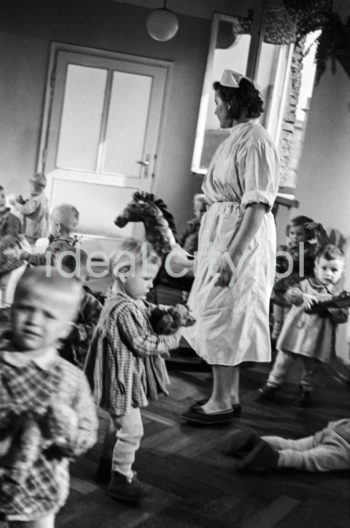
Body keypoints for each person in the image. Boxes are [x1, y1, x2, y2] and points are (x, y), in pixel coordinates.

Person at [182, 69, 280, 425]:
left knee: (225, 312)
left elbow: (257, 204)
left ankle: (220, 400)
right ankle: (230, 394)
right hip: (224, 232)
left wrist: (231, 255)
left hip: (241, 239)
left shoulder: (256, 140)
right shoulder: (238, 137)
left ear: (233, 103)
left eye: (219, 103)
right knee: (223, 311)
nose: (216, 110)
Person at [84, 238, 181, 503]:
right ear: (124, 273)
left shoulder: (125, 298)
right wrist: (175, 337)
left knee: (118, 427)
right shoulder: (123, 308)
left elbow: (147, 308)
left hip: (123, 378)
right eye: (148, 278)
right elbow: (143, 344)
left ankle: (108, 467)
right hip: (120, 382)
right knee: (132, 431)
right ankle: (120, 479)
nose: (151, 285)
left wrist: (168, 311)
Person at [0, 267, 97, 527]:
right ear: (10, 312)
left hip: (41, 487)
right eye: (26, 309)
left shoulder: (72, 378)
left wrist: (69, 436)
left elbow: (88, 427)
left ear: (66, 330)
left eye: (49, 316)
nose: (34, 321)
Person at [259, 244, 348, 406]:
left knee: (311, 368)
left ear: (341, 273)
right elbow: (289, 295)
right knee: (282, 361)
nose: (328, 273)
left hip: (317, 339)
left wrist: (334, 310)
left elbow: (342, 317)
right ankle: (272, 383)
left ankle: (306, 388)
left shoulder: (337, 296)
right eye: (324, 268)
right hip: (295, 334)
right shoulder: (305, 285)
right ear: (316, 268)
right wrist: (302, 296)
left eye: (334, 270)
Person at [271, 215, 328, 345]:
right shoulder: (285, 248)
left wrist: (319, 230)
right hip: (280, 286)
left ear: (308, 235)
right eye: (292, 233)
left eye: (299, 234)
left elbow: (323, 246)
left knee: (288, 317)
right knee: (277, 316)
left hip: (296, 287)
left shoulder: (311, 250)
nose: (295, 237)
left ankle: (282, 343)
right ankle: (273, 340)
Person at [221, 421, 350, 472]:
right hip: (344, 448)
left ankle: (255, 442)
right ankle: (273, 457)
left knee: (293, 444)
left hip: (338, 429)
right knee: (307, 458)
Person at [57, 248, 102, 368]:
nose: (68, 283)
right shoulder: (53, 297)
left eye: (75, 279)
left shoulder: (90, 302)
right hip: (54, 354)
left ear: (87, 278)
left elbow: (99, 326)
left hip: (78, 359)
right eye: (62, 278)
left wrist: (77, 331)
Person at [13, 173, 49, 246]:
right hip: (39, 232)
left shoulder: (35, 199)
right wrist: (22, 202)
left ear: (33, 187)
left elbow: (25, 210)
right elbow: (33, 208)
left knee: (28, 247)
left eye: (30, 186)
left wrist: (15, 204)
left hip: (32, 233)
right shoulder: (43, 198)